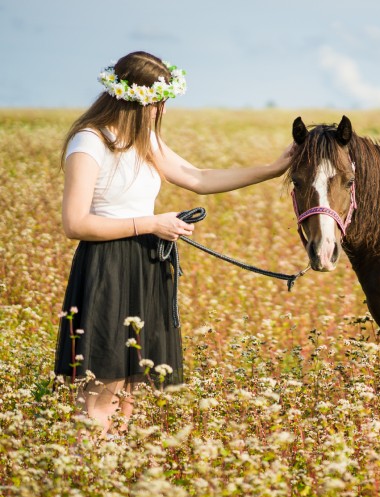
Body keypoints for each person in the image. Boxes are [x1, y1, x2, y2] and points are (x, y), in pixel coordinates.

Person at [54, 51, 292, 438]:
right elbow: (75, 223)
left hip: (145, 263)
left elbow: (197, 177)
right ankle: (88, 480)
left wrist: (272, 169)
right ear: (136, 100)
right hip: (108, 268)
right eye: (158, 103)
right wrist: (152, 223)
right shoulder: (89, 141)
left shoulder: (143, 140)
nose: (161, 111)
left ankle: (112, 482)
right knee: (101, 395)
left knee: (129, 394)